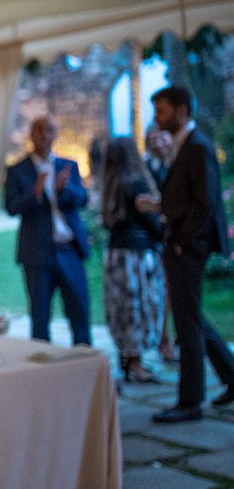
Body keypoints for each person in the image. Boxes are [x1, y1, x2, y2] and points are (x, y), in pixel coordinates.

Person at [144, 86, 234, 423]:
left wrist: (183, 241)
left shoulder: (197, 146)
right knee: (191, 316)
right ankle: (230, 375)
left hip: (188, 246)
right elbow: (188, 197)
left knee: (187, 325)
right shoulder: (185, 146)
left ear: (182, 110)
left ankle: (189, 402)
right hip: (181, 242)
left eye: (162, 110)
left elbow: (207, 202)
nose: (156, 117)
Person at [4, 117, 92, 346]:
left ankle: (84, 364)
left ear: (55, 134)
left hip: (69, 249)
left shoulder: (68, 166)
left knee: (79, 312)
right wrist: (36, 192)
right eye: (39, 130)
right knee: (40, 316)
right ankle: (42, 371)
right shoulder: (18, 170)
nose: (44, 135)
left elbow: (83, 199)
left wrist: (64, 189)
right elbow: (11, 207)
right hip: (37, 253)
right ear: (31, 135)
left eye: (49, 130)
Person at [100, 138, 165, 384]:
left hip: (117, 255)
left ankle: (126, 359)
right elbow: (150, 217)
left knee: (122, 309)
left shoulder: (112, 186)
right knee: (136, 308)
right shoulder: (135, 184)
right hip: (135, 255)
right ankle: (136, 362)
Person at [145, 124, 178, 363]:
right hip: (158, 238)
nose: (157, 143)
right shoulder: (148, 169)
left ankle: (178, 339)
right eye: (152, 139)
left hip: (179, 237)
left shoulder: (179, 164)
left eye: (161, 137)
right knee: (162, 292)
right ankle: (163, 339)